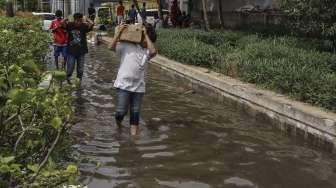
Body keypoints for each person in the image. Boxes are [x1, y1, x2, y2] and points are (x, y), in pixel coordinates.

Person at [108, 22, 157, 135]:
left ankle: (133, 140)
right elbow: (110, 47)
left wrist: (146, 34)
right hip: (123, 85)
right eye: (145, 39)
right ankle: (118, 123)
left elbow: (154, 52)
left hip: (138, 88)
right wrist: (119, 32)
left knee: (135, 114)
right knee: (121, 112)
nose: (147, 42)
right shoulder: (127, 46)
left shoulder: (147, 51)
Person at [61, 13, 94, 84]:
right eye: (77, 21)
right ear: (74, 20)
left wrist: (87, 19)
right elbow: (62, 23)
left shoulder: (83, 26)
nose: (79, 22)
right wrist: (67, 18)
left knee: (80, 69)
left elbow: (91, 24)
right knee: (70, 68)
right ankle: (68, 81)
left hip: (81, 51)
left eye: (80, 21)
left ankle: (79, 83)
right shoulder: (70, 25)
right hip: (71, 52)